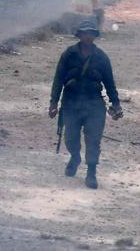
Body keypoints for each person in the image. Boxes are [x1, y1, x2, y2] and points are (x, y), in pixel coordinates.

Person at [48, 20, 123, 190]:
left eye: (91, 33)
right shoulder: (69, 54)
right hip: (71, 103)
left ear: (95, 36)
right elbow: (58, 79)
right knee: (70, 137)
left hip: (94, 104)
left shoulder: (102, 57)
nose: (88, 36)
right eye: (85, 33)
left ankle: (91, 172)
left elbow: (110, 83)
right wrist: (53, 102)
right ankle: (75, 157)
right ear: (79, 35)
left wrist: (116, 104)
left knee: (93, 140)